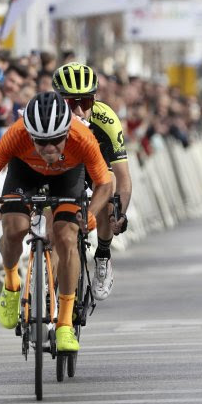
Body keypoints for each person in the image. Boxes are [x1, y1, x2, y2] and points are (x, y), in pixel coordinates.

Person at [0, 91, 112, 352]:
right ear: (29, 133)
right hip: (24, 173)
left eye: (56, 141)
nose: (49, 149)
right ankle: (12, 284)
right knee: (14, 229)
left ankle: (63, 325)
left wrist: (91, 212)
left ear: (67, 132)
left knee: (67, 236)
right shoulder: (16, 134)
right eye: (41, 141)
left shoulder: (82, 138)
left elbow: (104, 183)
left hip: (68, 176)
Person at [52, 62, 132, 301]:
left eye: (85, 103)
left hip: (96, 166)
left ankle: (103, 255)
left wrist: (120, 212)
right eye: (69, 103)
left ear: (94, 100)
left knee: (108, 196)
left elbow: (123, 177)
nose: (78, 111)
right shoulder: (48, 116)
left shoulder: (106, 119)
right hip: (62, 166)